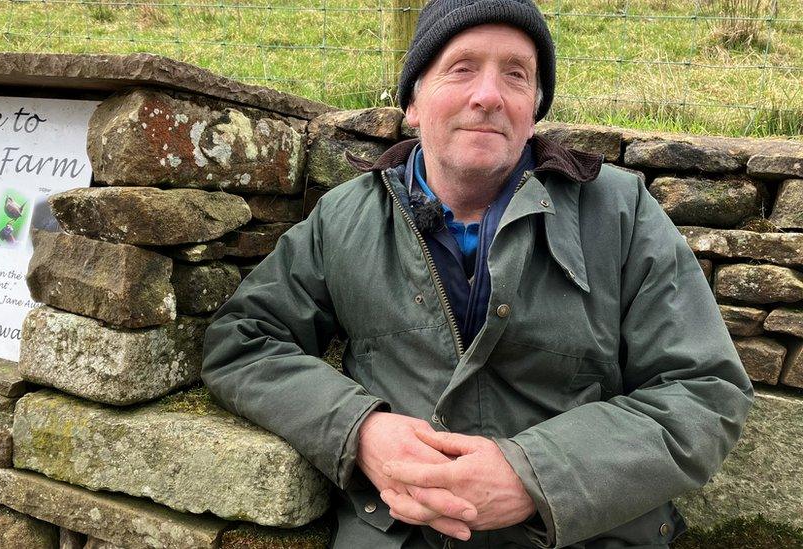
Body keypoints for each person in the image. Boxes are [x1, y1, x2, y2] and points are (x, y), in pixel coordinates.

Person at [201, 0, 754, 546]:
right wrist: (359, 429)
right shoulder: (345, 218)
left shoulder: (620, 212)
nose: (488, 96)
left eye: (515, 75)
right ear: (413, 101)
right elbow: (243, 340)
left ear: (533, 110)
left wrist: (534, 475)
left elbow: (704, 391)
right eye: (461, 69)